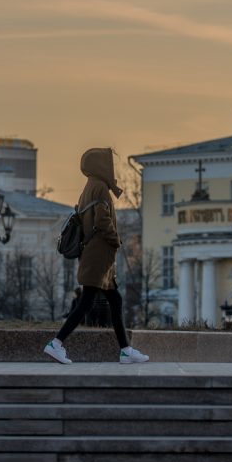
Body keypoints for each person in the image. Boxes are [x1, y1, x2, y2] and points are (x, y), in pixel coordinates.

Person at [44, 148, 149, 365]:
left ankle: (126, 350)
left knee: (115, 299)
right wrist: (116, 239)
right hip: (99, 255)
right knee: (85, 303)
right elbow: (102, 221)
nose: (112, 168)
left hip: (96, 255)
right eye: (109, 164)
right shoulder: (100, 187)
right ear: (101, 166)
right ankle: (56, 344)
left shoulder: (89, 187)